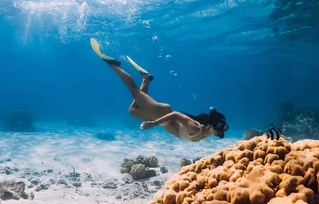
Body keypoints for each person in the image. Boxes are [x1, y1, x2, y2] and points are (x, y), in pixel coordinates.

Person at [90, 38, 228, 142]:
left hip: (161, 119)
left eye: (223, 128)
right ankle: (114, 65)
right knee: (134, 90)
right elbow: (176, 115)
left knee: (132, 111)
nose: (221, 130)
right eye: (220, 126)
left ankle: (146, 79)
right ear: (212, 124)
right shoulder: (196, 128)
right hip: (162, 115)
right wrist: (154, 124)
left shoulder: (205, 133)